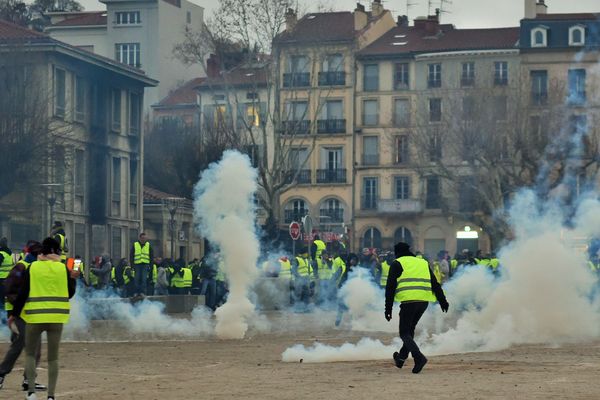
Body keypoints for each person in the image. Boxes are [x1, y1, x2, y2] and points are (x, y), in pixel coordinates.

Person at [11, 237, 78, 400]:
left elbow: (23, 293)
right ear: (56, 251)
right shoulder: (63, 268)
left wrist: (14, 313)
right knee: (53, 358)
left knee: (30, 355)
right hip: (56, 318)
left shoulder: (33, 267)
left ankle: (31, 392)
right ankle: (51, 396)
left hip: (34, 317)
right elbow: (69, 294)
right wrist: (73, 278)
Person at [385, 242, 449, 374]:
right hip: (423, 301)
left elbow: (390, 288)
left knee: (404, 333)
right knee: (410, 330)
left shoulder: (397, 263)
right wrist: (443, 300)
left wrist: (388, 309)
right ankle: (401, 358)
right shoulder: (423, 263)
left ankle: (418, 357)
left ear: (397, 252)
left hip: (409, 301)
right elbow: (434, 283)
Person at [0, 241, 44, 392]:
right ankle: (1, 374)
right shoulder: (22, 267)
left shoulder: (35, 268)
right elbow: (9, 288)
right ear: (35, 254)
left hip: (31, 313)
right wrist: (17, 307)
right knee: (19, 343)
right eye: (41, 254)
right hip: (17, 313)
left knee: (36, 347)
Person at [130, 233, 153, 298]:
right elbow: (131, 256)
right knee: (136, 279)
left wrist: (150, 265)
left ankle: (143, 292)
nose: (144, 239)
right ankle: (136, 292)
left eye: (145, 238)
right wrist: (132, 265)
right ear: (139, 238)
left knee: (144, 279)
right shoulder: (135, 245)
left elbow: (151, 256)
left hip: (145, 264)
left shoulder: (148, 245)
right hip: (137, 264)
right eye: (142, 238)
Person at [0, 237, 14, 313]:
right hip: (7, 279)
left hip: (1, 279)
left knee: (1, 302)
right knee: (4, 300)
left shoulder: (1, 254)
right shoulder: (9, 254)